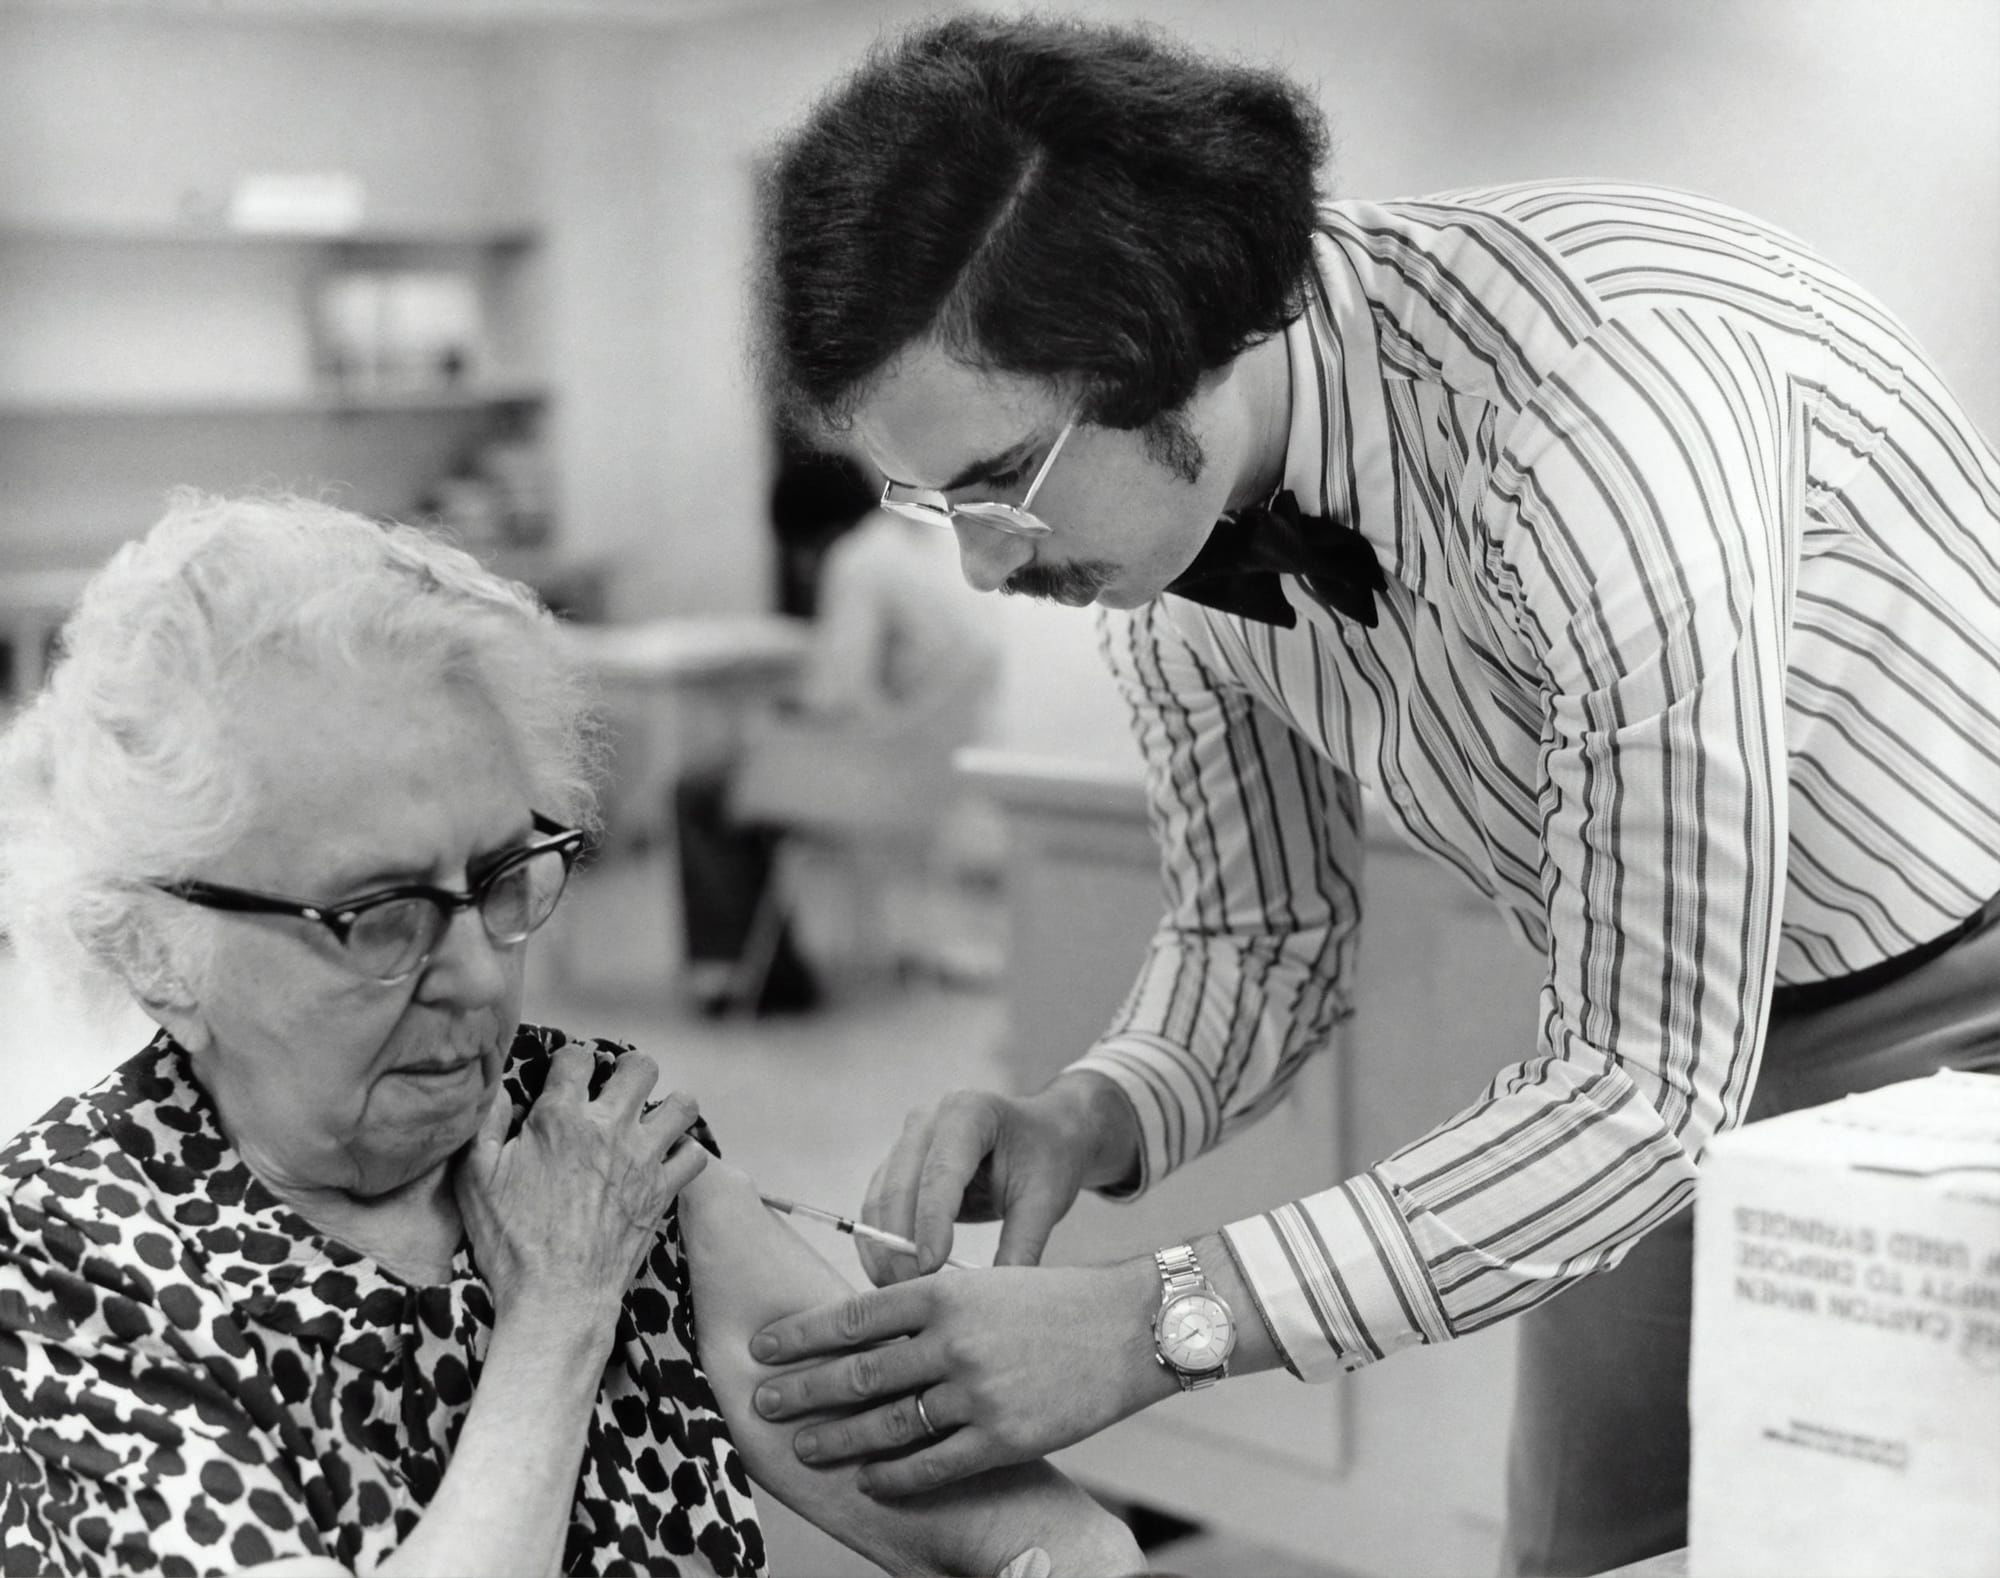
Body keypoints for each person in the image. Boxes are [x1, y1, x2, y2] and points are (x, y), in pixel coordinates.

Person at [734, 13, 2000, 1575]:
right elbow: (1260, 932)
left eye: (999, 480)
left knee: (1898, 1539)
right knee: (1588, 1550)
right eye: (927, 499)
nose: (982, 569)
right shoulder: (1169, 534)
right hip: (1649, 1037)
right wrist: (1093, 1106)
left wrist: (1161, 1316)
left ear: (1187, 335)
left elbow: (1640, 1092)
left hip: (1964, 1001)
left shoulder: (1600, 424)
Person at [0, 493, 1143, 1578]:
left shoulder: (574, 1119)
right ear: (154, 951)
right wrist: (558, 1310)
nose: (472, 975)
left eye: (499, 877)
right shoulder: (61, 1269)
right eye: (376, 915)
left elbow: (1009, 1517)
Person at [675, 493, 1002, 1011]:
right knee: (740, 775)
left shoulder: (855, 560)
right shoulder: (921, 549)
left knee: (701, 789)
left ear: (809, 537)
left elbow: (838, 694)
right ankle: (763, 965)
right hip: (930, 776)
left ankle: (737, 976)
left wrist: (780, 708)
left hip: (869, 778)